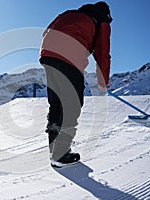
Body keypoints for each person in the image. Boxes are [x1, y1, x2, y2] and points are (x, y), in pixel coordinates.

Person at [39, 1, 113, 168]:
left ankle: (55, 150)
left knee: (57, 104)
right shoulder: (101, 21)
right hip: (68, 57)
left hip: (48, 54)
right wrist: (103, 82)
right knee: (71, 105)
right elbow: (103, 52)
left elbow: (46, 32)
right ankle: (61, 154)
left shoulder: (69, 14)